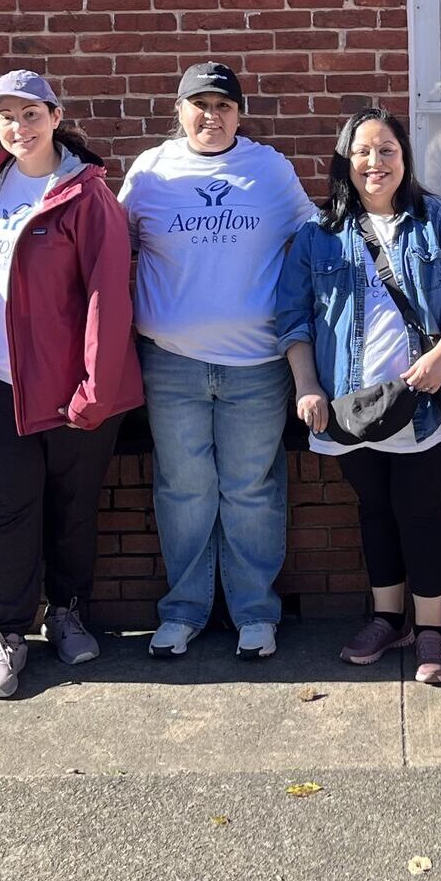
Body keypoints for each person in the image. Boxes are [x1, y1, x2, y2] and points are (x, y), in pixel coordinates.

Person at [277, 108, 441, 684]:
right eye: (364, 152)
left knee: (420, 513)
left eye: (387, 150)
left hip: (425, 403)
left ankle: (431, 631)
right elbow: (292, 319)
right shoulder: (317, 235)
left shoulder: (437, 221)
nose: (376, 162)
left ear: (405, 158)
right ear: (346, 162)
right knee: (374, 512)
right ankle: (386, 617)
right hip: (349, 404)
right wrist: (307, 386)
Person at [119, 63, 318, 661]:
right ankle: (184, 611)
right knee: (183, 489)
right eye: (199, 104)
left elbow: (314, 241)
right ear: (178, 111)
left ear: (239, 112)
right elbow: (108, 247)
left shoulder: (269, 170)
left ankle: (256, 613)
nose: (212, 116)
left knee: (251, 489)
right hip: (171, 364)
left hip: (256, 365)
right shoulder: (151, 172)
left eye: (224, 105)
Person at [0, 69, 141, 699]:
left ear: (56, 115)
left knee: (71, 508)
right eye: (6, 115)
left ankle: (66, 613)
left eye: (31, 113)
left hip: (72, 389)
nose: (19, 126)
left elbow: (106, 295)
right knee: (11, 511)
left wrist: (95, 384)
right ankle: (8, 637)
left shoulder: (87, 195)